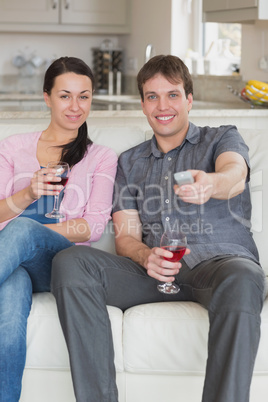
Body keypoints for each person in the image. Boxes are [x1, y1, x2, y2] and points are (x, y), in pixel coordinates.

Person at [51, 55, 266, 402]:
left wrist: (210, 183)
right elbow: (126, 237)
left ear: (189, 99)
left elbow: (234, 176)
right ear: (142, 104)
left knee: (244, 277)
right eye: (152, 96)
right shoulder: (129, 162)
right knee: (72, 262)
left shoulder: (221, 138)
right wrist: (145, 255)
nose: (162, 106)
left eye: (173, 95)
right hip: (155, 274)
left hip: (220, 266)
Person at [0, 56, 117, 402]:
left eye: (84, 96)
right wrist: (28, 194)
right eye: (65, 95)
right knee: (6, 331)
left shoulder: (100, 156)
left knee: (22, 232)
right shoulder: (12, 147)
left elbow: (94, 226)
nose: (75, 106)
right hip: (13, 263)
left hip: (62, 264)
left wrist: (38, 234)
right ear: (47, 97)